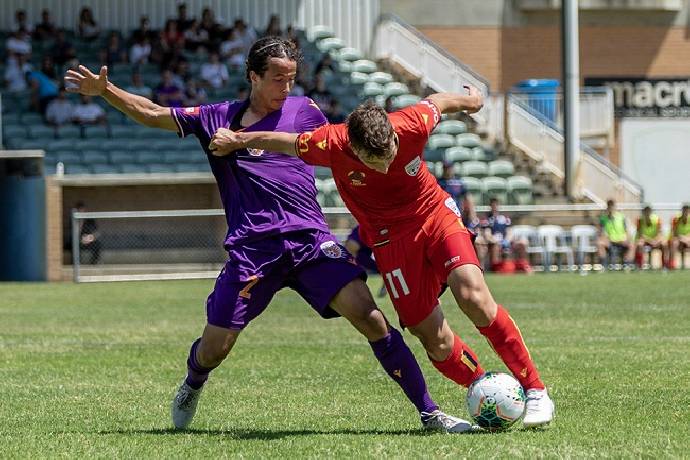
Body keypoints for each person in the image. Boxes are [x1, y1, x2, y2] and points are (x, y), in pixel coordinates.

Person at [64, 36, 471, 434]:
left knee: (372, 319)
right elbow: (154, 113)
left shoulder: (306, 111)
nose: (286, 87)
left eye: (291, 78)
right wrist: (107, 91)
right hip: (253, 250)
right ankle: (193, 381)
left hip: (311, 242)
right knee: (215, 348)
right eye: (277, 78)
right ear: (253, 76)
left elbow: (346, 145)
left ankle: (429, 413)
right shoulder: (216, 118)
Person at [208, 88, 555, 428]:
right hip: (389, 240)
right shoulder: (331, 142)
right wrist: (239, 141)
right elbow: (283, 140)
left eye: (390, 151)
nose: (387, 162)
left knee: (473, 295)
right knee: (431, 335)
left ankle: (535, 389)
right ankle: (486, 390)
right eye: (377, 159)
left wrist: (471, 100)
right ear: (353, 148)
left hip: (433, 214)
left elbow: (439, 102)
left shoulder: (411, 123)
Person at [482, 198, 531, 273]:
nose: (495, 207)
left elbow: (509, 232)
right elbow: (487, 234)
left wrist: (506, 241)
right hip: (493, 242)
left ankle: (524, 266)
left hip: (506, 241)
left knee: (522, 243)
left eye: (496, 205)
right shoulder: (487, 219)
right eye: (493, 205)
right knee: (495, 246)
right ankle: (497, 268)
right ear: (490, 206)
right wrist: (495, 240)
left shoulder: (505, 218)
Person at [344, 225, 387, 298]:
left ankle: (386, 283)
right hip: (357, 255)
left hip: (360, 254)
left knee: (385, 269)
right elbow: (351, 247)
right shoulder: (361, 229)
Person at [597, 199, 634, 268]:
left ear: (615, 207)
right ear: (607, 207)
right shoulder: (603, 218)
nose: (611, 208)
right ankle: (604, 266)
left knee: (631, 244)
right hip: (610, 241)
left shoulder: (622, 217)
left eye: (612, 206)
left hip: (621, 240)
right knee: (600, 243)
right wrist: (605, 238)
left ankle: (628, 265)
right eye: (609, 206)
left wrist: (627, 239)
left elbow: (627, 231)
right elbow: (601, 232)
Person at [669, 204, 690, 269]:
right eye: (684, 210)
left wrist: (687, 238)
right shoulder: (676, 219)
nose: (686, 212)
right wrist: (683, 238)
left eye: (687, 211)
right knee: (674, 243)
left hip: (688, 239)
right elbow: (674, 232)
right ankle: (672, 264)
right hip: (679, 238)